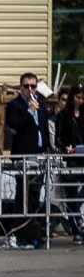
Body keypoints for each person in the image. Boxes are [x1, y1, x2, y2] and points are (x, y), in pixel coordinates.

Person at [5, 73, 50, 216]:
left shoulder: (41, 103)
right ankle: (21, 228)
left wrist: (48, 148)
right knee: (23, 192)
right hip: (23, 154)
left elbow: (44, 127)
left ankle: (35, 228)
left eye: (33, 86)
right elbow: (14, 126)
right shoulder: (14, 105)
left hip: (40, 153)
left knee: (36, 190)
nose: (30, 89)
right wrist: (29, 111)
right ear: (21, 87)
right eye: (26, 86)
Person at [56, 83, 84, 243]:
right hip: (71, 158)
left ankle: (79, 220)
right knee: (71, 194)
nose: (80, 100)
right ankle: (76, 228)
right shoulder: (64, 116)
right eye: (78, 97)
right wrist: (65, 148)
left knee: (79, 195)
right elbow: (58, 138)